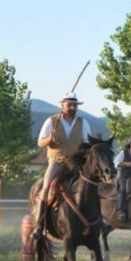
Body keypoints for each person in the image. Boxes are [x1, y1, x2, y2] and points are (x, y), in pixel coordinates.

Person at [31, 92, 92, 239]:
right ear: (62, 105)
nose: (72, 107)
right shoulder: (51, 121)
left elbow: (88, 143)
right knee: (45, 188)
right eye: (69, 104)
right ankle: (39, 226)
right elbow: (40, 142)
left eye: (74, 105)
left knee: (93, 185)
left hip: (76, 164)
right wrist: (49, 138)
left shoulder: (83, 123)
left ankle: (99, 221)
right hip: (57, 163)